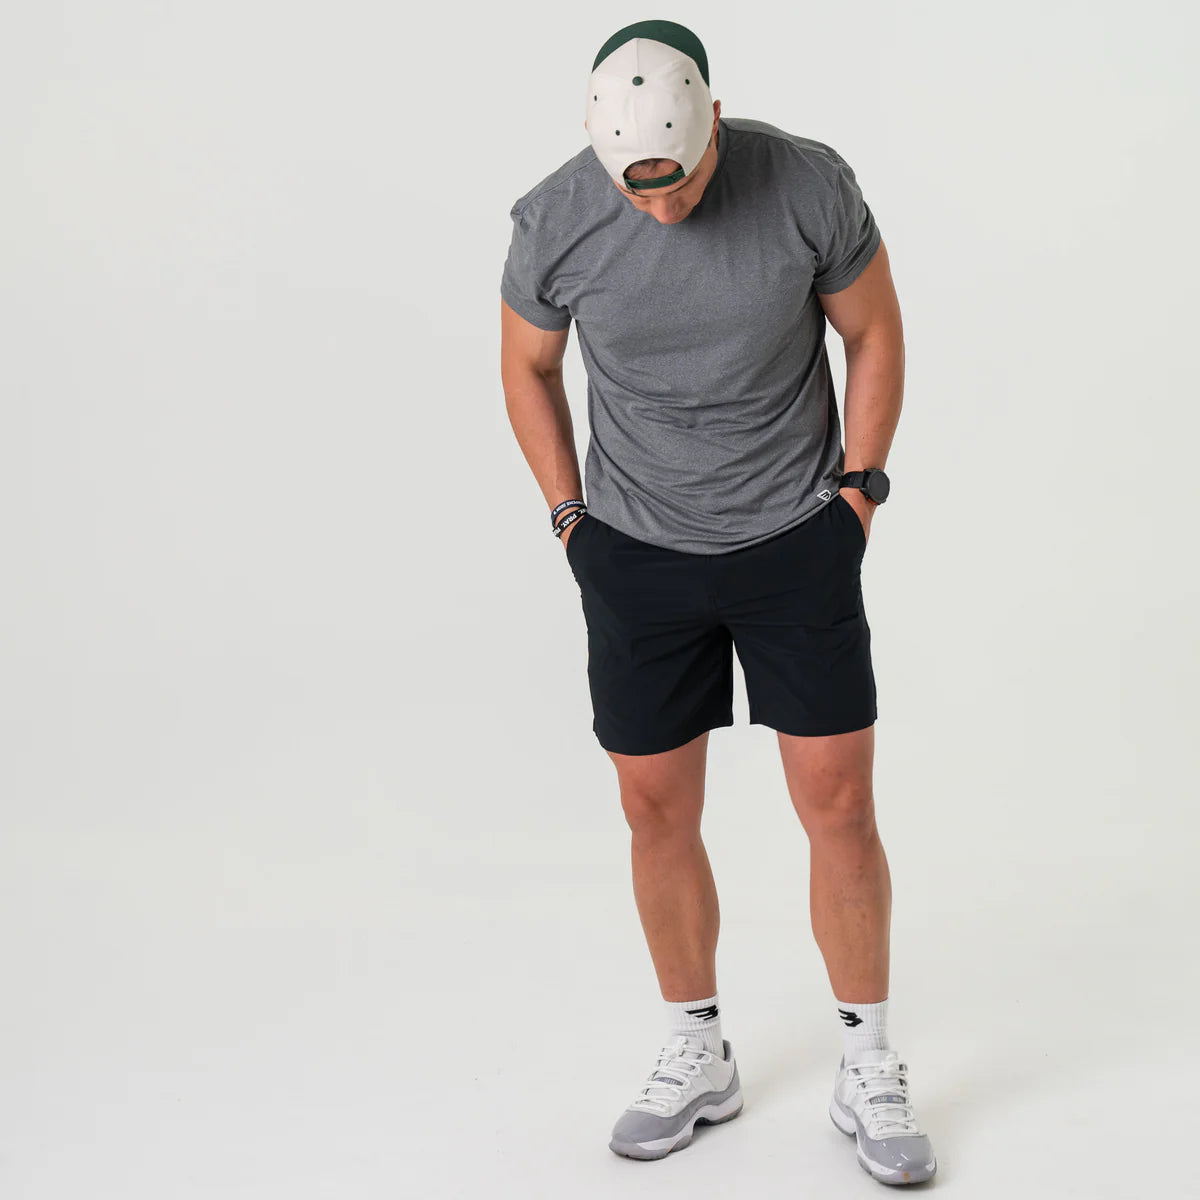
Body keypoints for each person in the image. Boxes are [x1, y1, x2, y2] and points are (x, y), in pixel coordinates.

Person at [499, 19, 936, 1185]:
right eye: (635, 190)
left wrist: (860, 492)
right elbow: (527, 365)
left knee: (838, 802)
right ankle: (698, 1047)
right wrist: (569, 516)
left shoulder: (807, 183)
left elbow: (874, 330)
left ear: (716, 126)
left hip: (796, 538)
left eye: (682, 182)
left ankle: (867, 1060)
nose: (661, 208)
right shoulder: (553, 216)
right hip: (636, 553)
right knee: (654, 809)